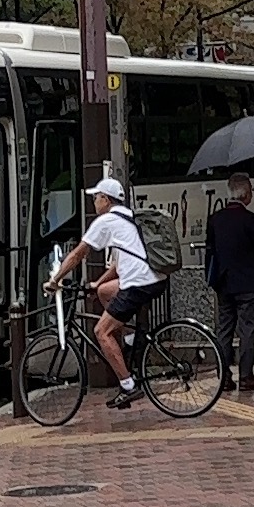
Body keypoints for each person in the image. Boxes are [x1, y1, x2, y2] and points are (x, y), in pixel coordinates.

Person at [69, 174, 162, 409]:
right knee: (104, 292)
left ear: (106, 199)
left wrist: (55, 279)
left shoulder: (107, 221)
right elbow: (118, 265)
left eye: (97, 197)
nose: (94, 202)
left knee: (101, 331)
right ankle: (129, 338)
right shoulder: (129, 217)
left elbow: (79, 253)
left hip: (137, 284)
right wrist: (97, 283)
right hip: (154, 278)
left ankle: (128, 386)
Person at [203, 167, 254, 394]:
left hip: (223, 283)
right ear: (246, 194)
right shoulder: (249, 219)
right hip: (247, 284)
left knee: (224, 330)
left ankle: (224, 377)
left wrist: (212, 279)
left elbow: (210, 250)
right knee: (247, 330)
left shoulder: (215, 219)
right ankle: (246, 376)